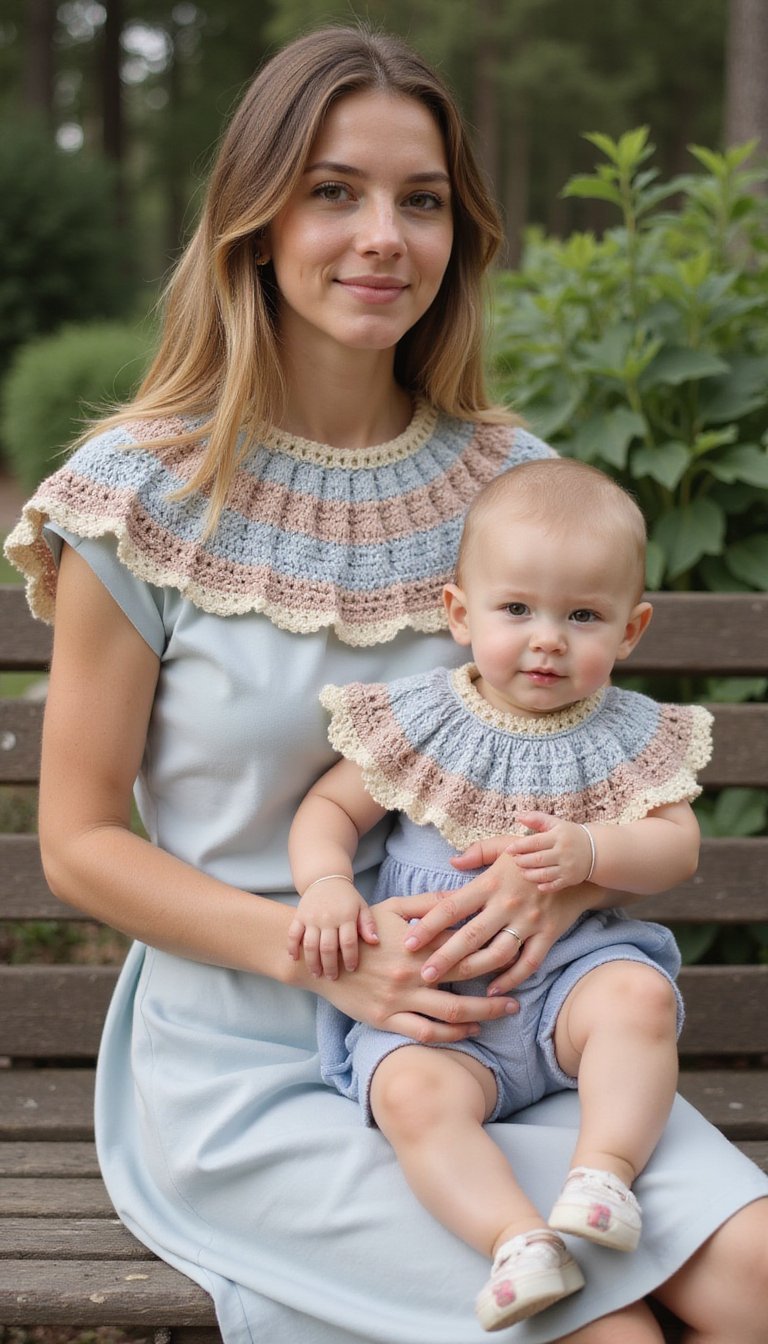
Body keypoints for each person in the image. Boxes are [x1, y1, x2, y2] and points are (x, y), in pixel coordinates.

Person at [4, 23, 767, 1344]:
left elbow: (572, 753)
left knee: (755, 1274)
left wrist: (567, 883)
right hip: (255, 1048)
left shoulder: (510, 480)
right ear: (254, 216)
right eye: (334, 191)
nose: (384, 238)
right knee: (600, 1332)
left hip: (521, 1027)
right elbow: (75, 847)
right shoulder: (137, 497)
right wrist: (336, 967)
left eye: (422, 202)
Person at [287, 458, 709, 1330]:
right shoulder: (419, 718)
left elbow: (678, 850)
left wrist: (593, 848)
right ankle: (518, 1242)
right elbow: (328, 807)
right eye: (517, 610)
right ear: (459, 614)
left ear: (630, 631)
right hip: (437, 1006)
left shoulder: (630, 732)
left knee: (635, 997)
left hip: (567, 988)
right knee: (408, 1095)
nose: (547, 639)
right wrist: (328, 886)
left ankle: (603, 1177)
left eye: (582, 616)